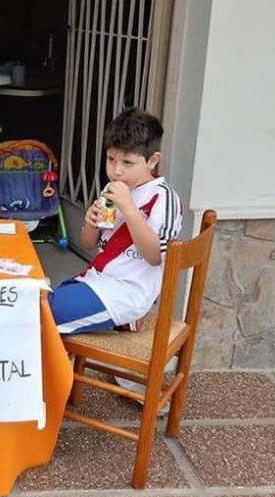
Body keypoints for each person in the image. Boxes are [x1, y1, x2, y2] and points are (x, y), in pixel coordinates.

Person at [49, 108, 182, 334]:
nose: (116, 171)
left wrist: (129, 208)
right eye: (111, 159)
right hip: (97, 279)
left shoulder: (163, 197)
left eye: (128, 163)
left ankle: (56, 367)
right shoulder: (111, 190)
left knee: (43, 317)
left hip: (128, 292)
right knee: (40, 303)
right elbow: (89, 244)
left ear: (152, 161)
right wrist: (90, 222)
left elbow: (155, 256)